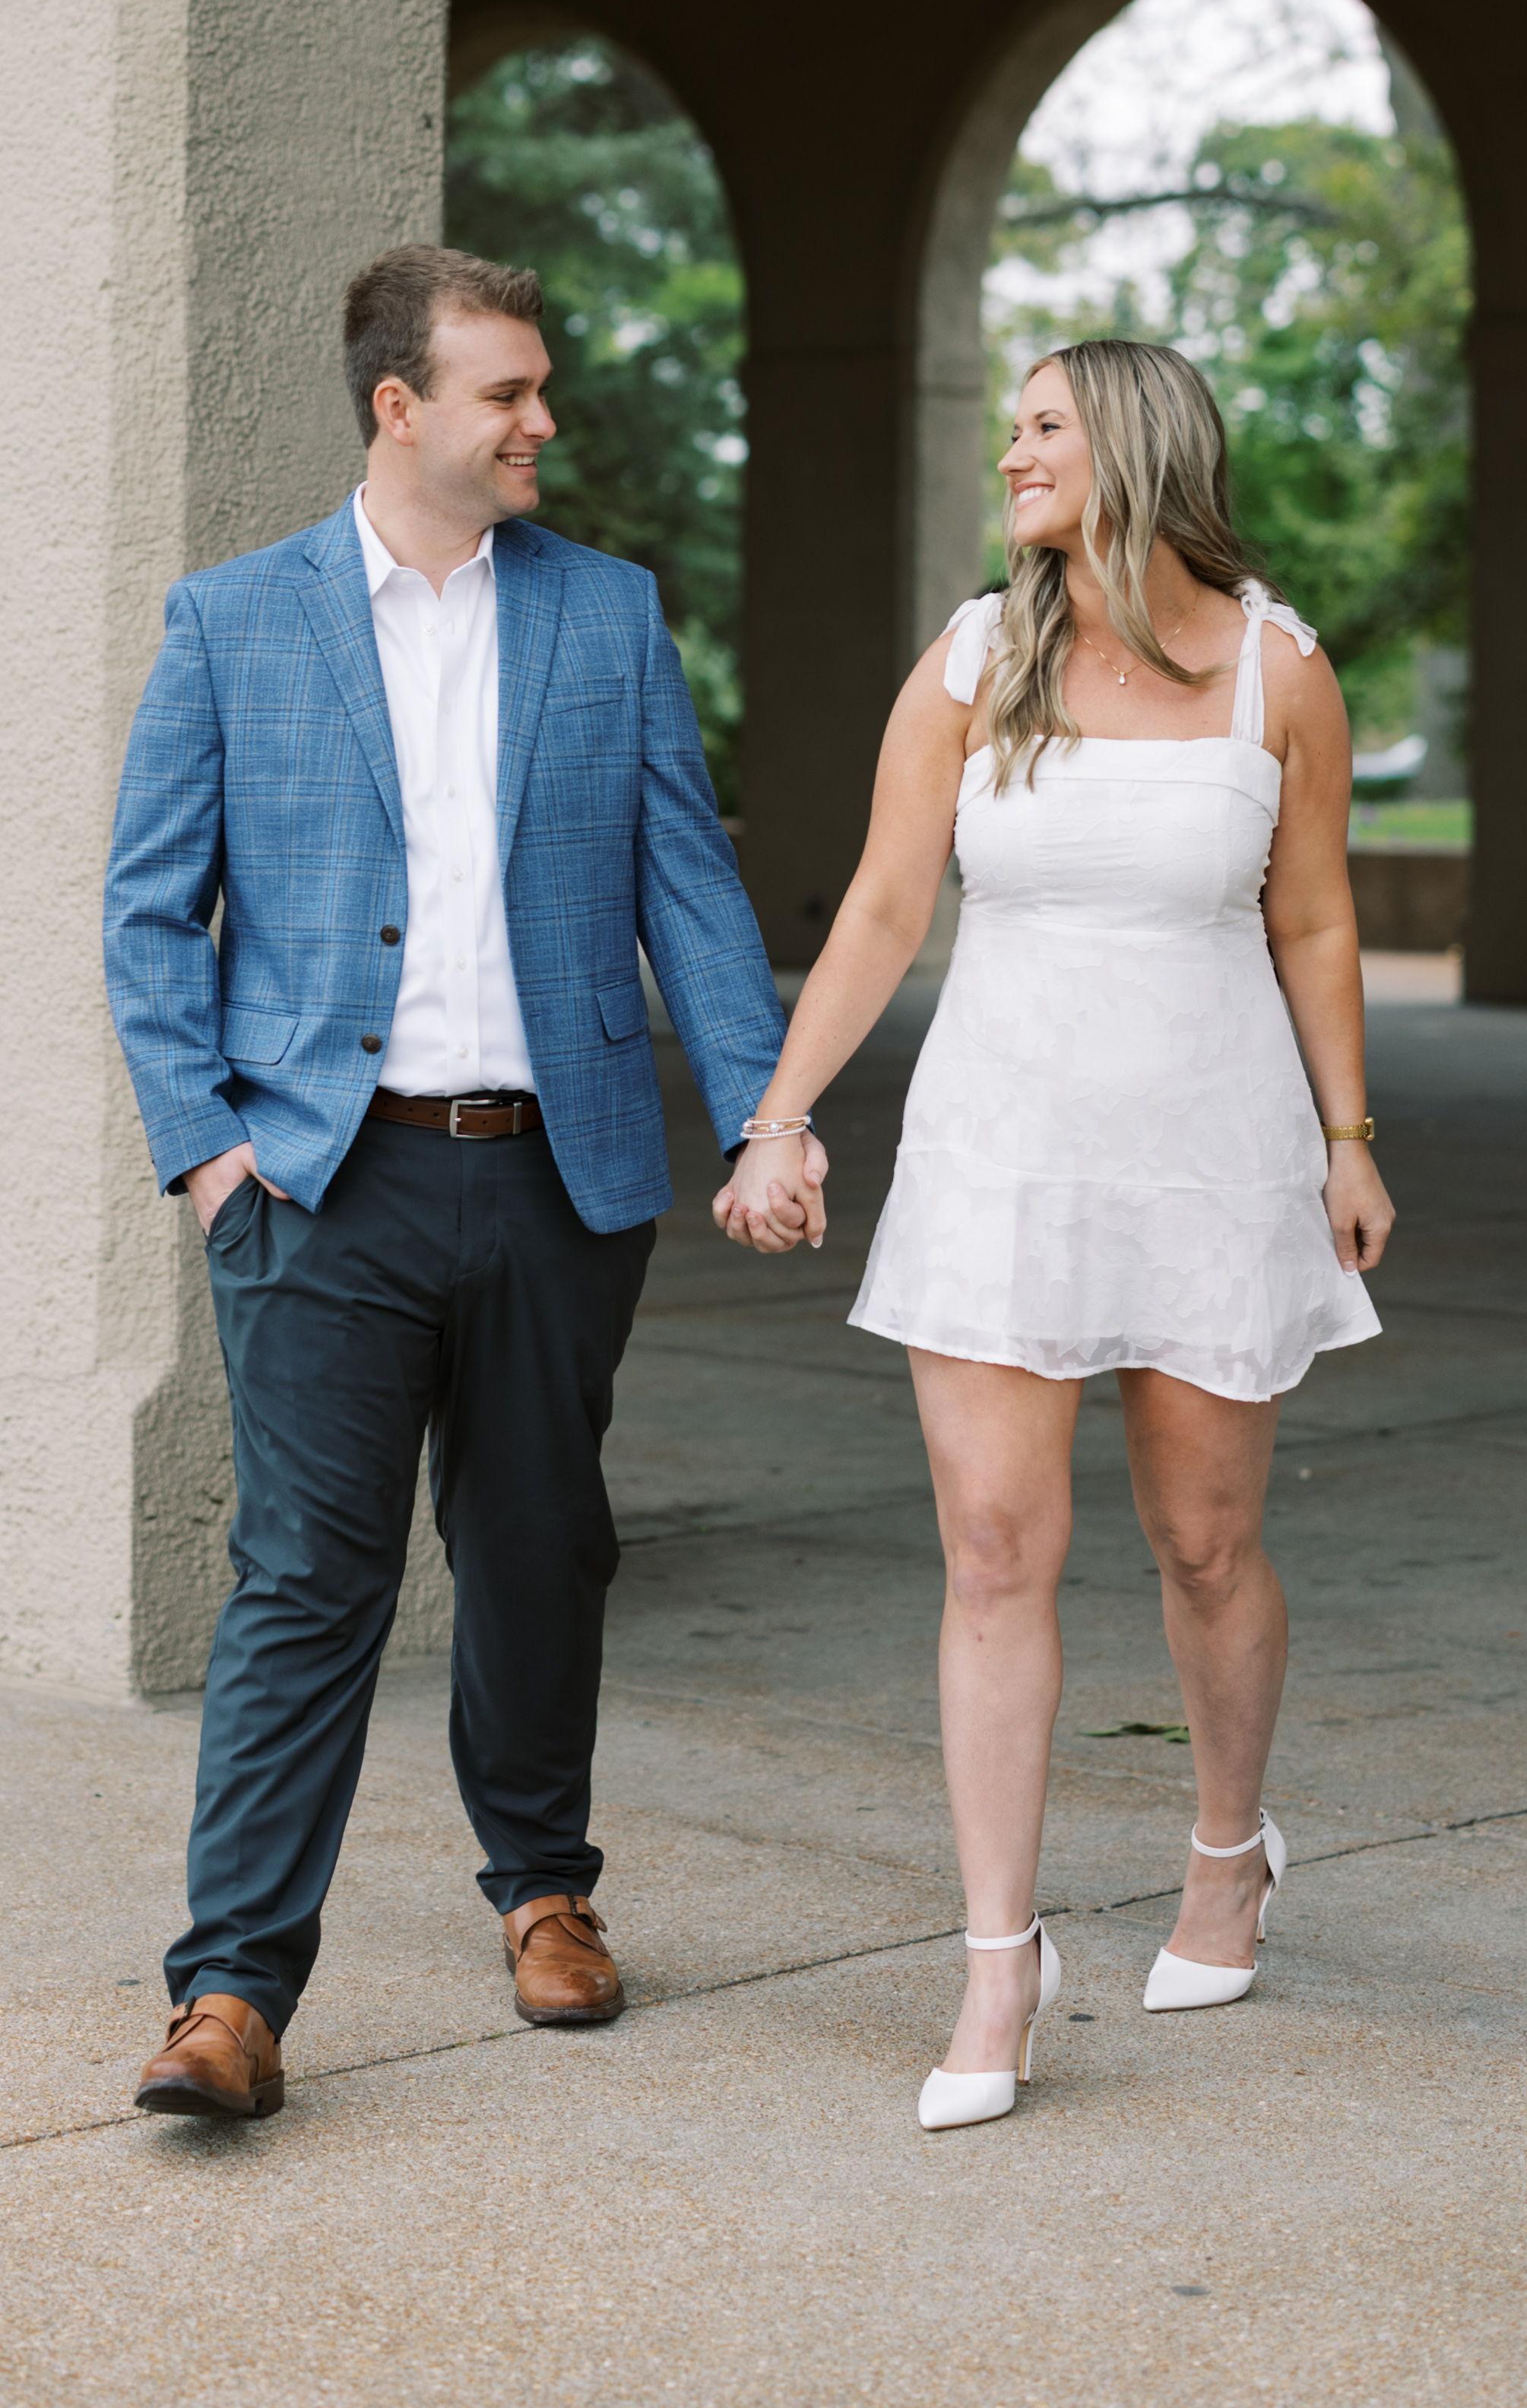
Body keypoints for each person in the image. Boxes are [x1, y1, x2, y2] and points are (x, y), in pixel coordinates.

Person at [103, 244, 787, 2122]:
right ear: (400, 407)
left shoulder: (606, 613)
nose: (542, 419)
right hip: (326, 1184)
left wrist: (764, 1113)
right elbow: (151, 912)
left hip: (559, 1177)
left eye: (540, 388)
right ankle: (230, 1993)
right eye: (509, 393)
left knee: (540, 1548)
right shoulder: (233, 622)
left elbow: (688, 887)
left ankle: (545, 1891)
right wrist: (210, 1152)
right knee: (304, 1581)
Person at [714, 336, 1396, 2131]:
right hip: (1000, 1158)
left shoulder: (1278, 671)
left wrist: (1348, 1137)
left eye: (1045, 427)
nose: (1011, 453)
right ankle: (998, 1966)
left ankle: (1229, 1854)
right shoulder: (971, 658)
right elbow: (881, 907)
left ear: (1140, 450)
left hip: (1213, 1160)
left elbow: (1316, 922)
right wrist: (780, 1115)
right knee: (996, 1555)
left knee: (1204, 1545)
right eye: (1009, 427)